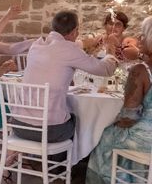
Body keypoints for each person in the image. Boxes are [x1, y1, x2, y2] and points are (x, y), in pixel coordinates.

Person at [13, 11, 118, 144]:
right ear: (74, 31)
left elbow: (69, 46)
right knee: (82, 122)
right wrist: (110, 50)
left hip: (18, 125)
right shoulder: (70, 50)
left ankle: (33, 159)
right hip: (49, 130)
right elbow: (106, 69)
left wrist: (92, 41)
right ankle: (70, 163)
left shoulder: (37, 45)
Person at [86, 16, 152, 184]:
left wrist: (114, 122)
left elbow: (129, 115)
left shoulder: (141, 71)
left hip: (146, 137)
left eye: (143, 35)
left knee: (106, 136)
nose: (139, 38)